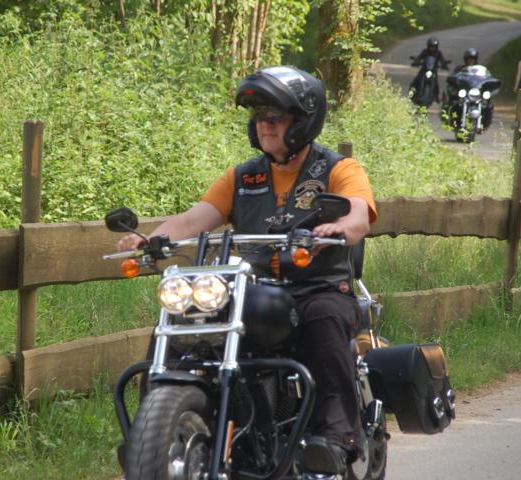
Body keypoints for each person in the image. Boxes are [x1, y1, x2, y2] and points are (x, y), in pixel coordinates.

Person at [117, 66, 377, 477]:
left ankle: (334, 438)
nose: (265, 125)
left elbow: (359, 213)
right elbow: (194, 219)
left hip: (316, 287)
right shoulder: (242, 177)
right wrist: (150, 239)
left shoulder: (338, 169)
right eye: (258, 117)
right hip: (252, 289)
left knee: (324, 320)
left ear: (304, 120)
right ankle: (154, 433)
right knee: (182, 321)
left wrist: (342, 226)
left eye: (275, 116)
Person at [410, 36, 449, 103]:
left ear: (436, 47)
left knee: (436, 84)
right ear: (428, 46)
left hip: (433, 71)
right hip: (424, 70)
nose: (432, 48)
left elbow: (442, 60)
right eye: (431, 46)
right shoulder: (425, 51)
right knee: (416, 81)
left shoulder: (438, 53)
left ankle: (436, 97)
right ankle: (411, 94)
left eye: (434, 47)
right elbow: (419, 57)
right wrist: (416, 62)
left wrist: (444, 65)